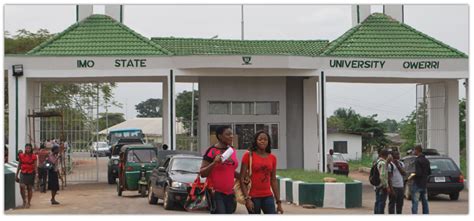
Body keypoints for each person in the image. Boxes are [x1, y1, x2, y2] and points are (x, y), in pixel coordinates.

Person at [240, 130, 283, 214]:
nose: (262, 141)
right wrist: (247, 199)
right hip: (252, 197)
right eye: (260, 139)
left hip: (268, 196)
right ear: (256, 141)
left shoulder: (272, 158)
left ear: (268, 142)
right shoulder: (248, 156)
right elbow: (241, 179)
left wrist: (278, 202)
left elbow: (273, 180)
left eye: (265, 139)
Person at [200, 126, 239, 214]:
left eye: (232, 134)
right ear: (220, 136)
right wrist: (214, 163)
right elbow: (202, 173)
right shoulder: (211, 151)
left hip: (230, 193)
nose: (231, 136)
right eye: (228, 134)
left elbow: (230, 170)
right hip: (216, 192)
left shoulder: (231, 150)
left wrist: (243, 177)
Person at [15, 143, 38, 208]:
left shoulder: (34, 156)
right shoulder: (21, 156)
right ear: (25, 148)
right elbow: (19, 165)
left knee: (29, 188)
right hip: (23, 172)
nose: (27, 149)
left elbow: (35, 166)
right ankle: (24, 201)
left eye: (29, 148)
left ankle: (29, 202)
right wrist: (16, 174)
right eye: (26, 148)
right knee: (21, 186)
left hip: (31, 173)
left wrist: (36, 174)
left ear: (31, 149)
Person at [411, 145, 431, 214]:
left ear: (417, 150)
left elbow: (418, 173)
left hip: (417, 184)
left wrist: (412, 176)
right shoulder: (427, 160)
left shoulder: (417, 160)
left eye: (414, 150)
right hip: (424, 185)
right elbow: (429, 172)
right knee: (425, 202)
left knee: (415, 203)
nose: (413, 151)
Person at [373, 148, 390, 214]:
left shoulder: (377, 162)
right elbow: (382, 176)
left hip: (377, 185)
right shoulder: (383, 163)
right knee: (381, 203)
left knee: (377, 201)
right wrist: (386, 186)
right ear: (386, 155)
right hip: (382, 186)